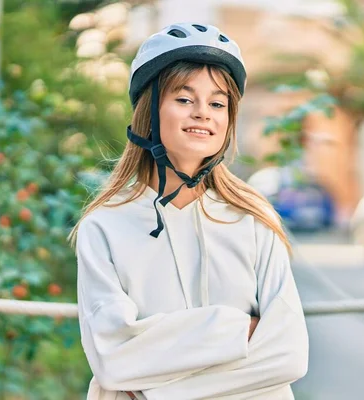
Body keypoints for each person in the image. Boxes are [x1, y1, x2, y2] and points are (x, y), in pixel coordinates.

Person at [69, 23, 309, 400]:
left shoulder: (254, 218)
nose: (203, 113)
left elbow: (288, 355)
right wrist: (238, 329)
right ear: (149, 112)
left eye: (217, 103)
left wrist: (153, 387)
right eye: (184, 99)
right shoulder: (105, 226)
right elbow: (113, 360)